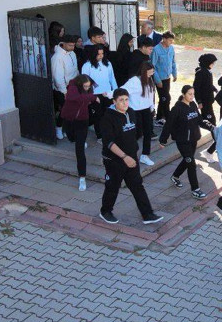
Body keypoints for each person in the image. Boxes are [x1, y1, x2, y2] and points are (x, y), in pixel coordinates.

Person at [98, 88, 163, 225]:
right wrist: (124, 156)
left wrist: (132, 152)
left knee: (137, 185)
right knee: (112, 186)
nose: (124, 103)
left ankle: (147, 214)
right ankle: (105, 211)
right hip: (114, 160)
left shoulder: (131, 113)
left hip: (131, 158)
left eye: (126, 99)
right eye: (121, 100)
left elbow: (136, 133)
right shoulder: (107, 118)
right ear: (114, 101)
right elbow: (109, 143)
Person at [159, 85, 214, 199]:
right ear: (183, 94)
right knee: (191, 164)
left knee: (188, 160)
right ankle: (195, 190)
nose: (192, 96)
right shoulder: (177, 108)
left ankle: (175, 176)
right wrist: (163, 140)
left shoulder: (193, 104)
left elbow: (199, 120)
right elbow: (168, 125)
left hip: (193, 139)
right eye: (189, 94)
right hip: (182, 141)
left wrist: (211, 126)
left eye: (193, 94)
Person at [61, 75, 98, 191]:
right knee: (71, 138)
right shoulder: (72, 87)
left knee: (79, 150)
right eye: (85, 86)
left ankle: (82, 177)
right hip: (69, 120)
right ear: (80, 84)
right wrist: (92, 97)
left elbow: (87, 98)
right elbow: (75, 97)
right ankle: (77, 140)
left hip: (82, 120)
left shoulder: (89, 91)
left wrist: (92, 97)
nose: (87, 88)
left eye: (89, 86)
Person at [123, 62, 157, 166]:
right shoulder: (134, 81)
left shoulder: (149, 79)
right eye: (149, 73)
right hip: (135, 111)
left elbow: (151, 94)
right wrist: (109, 94)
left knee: (148, 133)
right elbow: (122, 90)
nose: (151, 75)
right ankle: (128, 153)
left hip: (146, 109)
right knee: (136, 133)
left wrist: (152, 107)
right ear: (144, 71)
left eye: (152, 73)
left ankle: (145, 155)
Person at [82, 44, 118, 140]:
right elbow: (84, 82)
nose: (101, 56)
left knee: (108, 114)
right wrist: (88, 96)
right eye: (98, 54)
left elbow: (112, 78)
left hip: (107, 93)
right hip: (95, 94)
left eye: (102, 53)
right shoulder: (87, 65)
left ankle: (109, 132)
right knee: (98, 116)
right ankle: (100, 136)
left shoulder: (108, 63)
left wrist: (115, 91)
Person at [52, 34, 79, 140]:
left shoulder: (72, 53)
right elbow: (57, 76)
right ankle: (59, 127)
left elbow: (75, 69)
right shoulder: (57, 57)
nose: (72, 48)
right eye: (70, 45)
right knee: (66, 110)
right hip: (63, 88)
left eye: (73, 45)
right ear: (63, 44)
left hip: (74, 85)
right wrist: (64, 91)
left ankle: (67, 129)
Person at [193, 54, 219, 159]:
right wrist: (199, 101)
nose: (213, 64)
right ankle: (216, 142)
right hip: (204, 102)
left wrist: (214, 88)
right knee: (211, 123)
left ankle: (216, 142)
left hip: (209, 101)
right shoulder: (201, 72)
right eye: (212, 62)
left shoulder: (207, 71)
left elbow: (208, 84)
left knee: (211, 121)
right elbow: (197, 87)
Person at [151, 31, 177, 126]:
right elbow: (152, 66)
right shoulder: (156, 50)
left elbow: (173, 62)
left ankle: (159, 118)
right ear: (164, 39)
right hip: (159, 79)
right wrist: (157, 80)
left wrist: (174, 73)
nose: (171, 42)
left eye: (172, 40)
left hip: (167, 78)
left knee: (164, 98)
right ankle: (167, 117)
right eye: (170, 40)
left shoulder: (171, 48)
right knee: (166, 98)